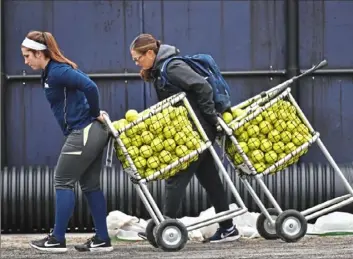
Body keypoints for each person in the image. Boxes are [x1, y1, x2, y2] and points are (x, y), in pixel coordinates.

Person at [130, 34, 240, 243]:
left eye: (138, 58)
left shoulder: (171, 67)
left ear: (150, 53)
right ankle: (228, 228)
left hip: (198, 129)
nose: (137, 63)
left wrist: (210, 118)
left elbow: (202, 86)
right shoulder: (160, 70)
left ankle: (164, 225)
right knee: (210, 179)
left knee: (176, 175)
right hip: (190, 130)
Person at [21, 31, 113, 253]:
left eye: (27, 56)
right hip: (90, 131)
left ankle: (57, 239)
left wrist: (94, 113)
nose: (25, 61)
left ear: (40, 53)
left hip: (84, 131)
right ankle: (102, 239)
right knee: (90, 185)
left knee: (62, 181)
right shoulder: (51, 72)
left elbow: (90, 86)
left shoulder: (58, 71)